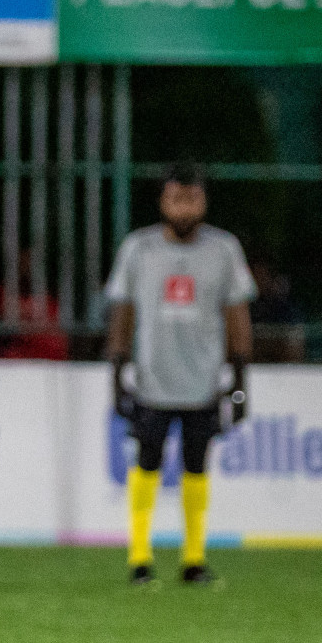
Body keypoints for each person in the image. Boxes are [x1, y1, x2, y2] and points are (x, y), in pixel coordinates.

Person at [105, 162, 254, 586]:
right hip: (153, 380)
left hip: (203, 383)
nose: (184, 208)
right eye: (176, 199)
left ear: (203, 201)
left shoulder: (224, 250)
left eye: (192, 198)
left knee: (197, 465)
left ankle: (193, 559)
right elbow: (122, 312)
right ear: (162, 201)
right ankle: (139, 557)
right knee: (147, 462)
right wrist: (117, 377)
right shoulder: (139, 248)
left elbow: (237, 315)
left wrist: (241, 384)